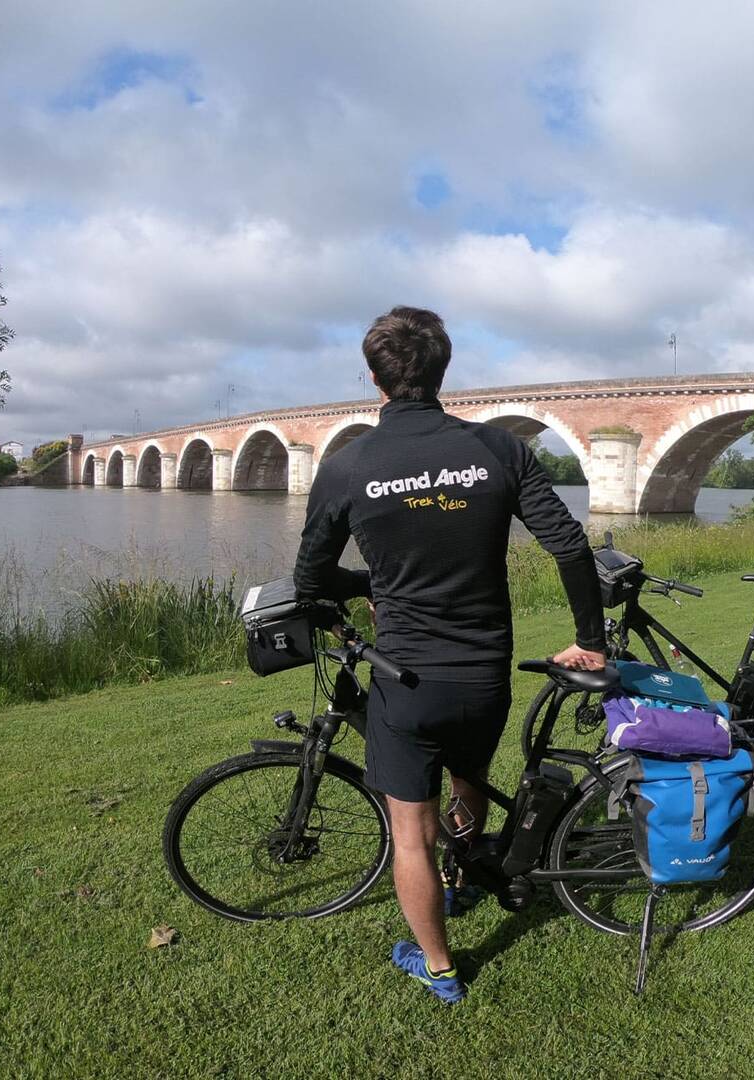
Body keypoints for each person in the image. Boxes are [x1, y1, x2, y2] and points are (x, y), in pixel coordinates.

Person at [292, 306, 606, 1005]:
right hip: (485, 670)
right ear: (442, 369)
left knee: (412, 830)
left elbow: (310, 580)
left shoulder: (349, 466)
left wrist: (368, 583)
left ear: (374, 376)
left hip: (407, 678)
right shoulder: (497, 450)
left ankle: (438, 966)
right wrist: (591, 637)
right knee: (470, 782)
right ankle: (464, 886)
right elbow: (570, 545)